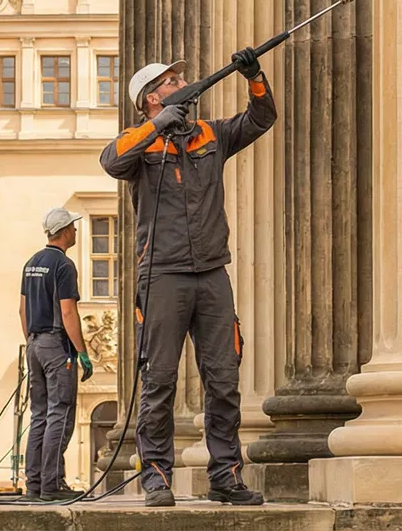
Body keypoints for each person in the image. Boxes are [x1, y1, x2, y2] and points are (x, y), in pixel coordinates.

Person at [99, 50, 275, 508]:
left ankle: (226, 476)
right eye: (171, 80)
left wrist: (254, 76)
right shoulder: (140, 142)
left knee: (223, 379)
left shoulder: (211, 135)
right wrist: (157, 127)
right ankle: (156, 477)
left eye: (178, 77)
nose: (182, 81)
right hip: (162, 276)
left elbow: (261, 119)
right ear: (152, 99)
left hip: (212, 273)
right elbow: (111, 161)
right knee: (158, 380)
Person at [19, 207, 94, 501]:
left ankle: (34, 485)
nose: (75, 231)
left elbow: (22, 310)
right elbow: (68, 311)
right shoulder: (63, 265)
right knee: (59, 414)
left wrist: (31, 342)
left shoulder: (31, 263)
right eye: (73, 227)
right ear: (64, 231)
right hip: (56, 345)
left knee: (39, 415)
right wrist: (82, 352)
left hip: (34, 343)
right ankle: (51, 485)